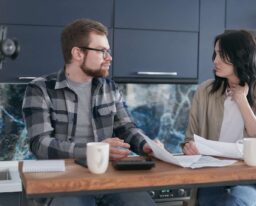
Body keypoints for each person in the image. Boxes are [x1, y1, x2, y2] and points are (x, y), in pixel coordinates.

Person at [22, 18, 156, 206]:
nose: (109, 57)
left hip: (110, 177)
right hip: (64, 180)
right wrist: (97, 150)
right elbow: (40, 144)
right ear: (78, 53)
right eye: (102, 51)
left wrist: (146, 145)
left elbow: (126, 128)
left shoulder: (109, 88)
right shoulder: (40, 89)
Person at [182, 30, 256, 206]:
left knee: (233, 202)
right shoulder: (205, 91)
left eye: (222, 55)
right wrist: (189, 147)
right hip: (210, 176)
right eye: (215, 54)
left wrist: (241, 100)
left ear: (240, 56)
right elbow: (190, 138)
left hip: (248, 178)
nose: (215, 60)